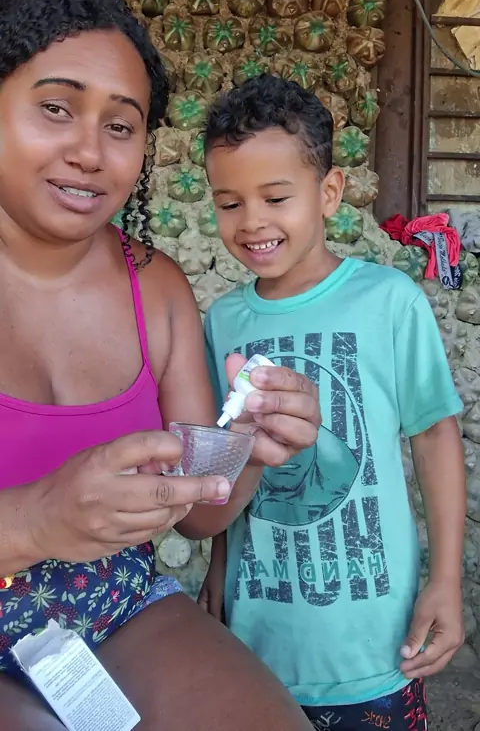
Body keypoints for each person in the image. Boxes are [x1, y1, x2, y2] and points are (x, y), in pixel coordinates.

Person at [0, 0, 320, 731]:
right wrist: (35, 520)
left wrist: (249, 449)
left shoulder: (158, 287)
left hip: (115, 605)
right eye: (56, 108)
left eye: (121, 125)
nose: (90, 152)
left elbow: (198, 515)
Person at [199, 74, 466, 730]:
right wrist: (218, 568)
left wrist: (445, 580)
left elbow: (434, 437)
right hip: (258, 634)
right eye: (229, 202)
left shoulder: (388, 300)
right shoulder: (223, 321)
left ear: (329, 193)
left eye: (275, 197)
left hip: (376, 640)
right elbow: (231, 458)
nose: (252, 221)